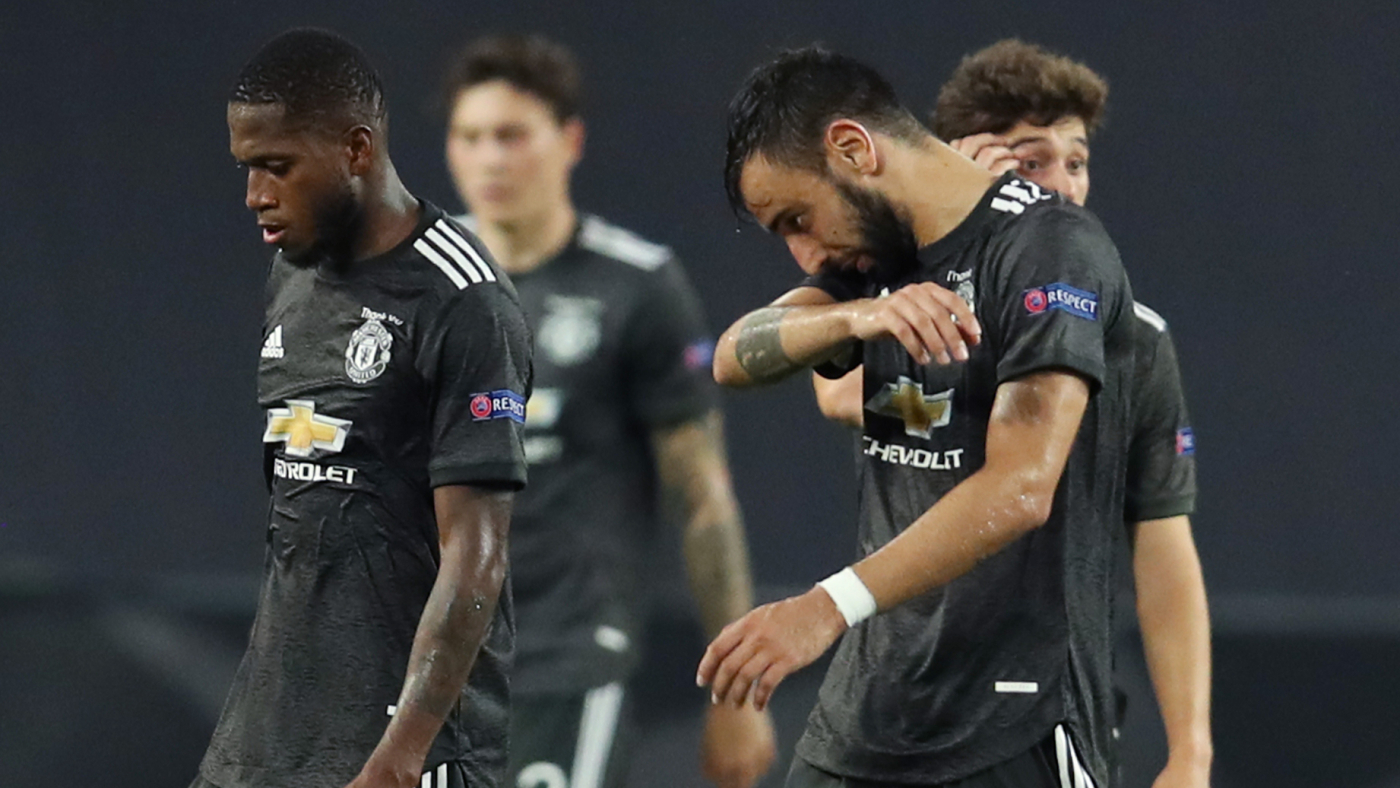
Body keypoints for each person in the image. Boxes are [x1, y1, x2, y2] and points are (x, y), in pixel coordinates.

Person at [696, 46, 1136, 788]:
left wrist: (825, 607)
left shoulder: (1051, 249)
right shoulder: (874, 264)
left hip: (1013, 719)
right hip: (871, 713)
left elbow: (1022, 487)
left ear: (853, 148)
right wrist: (854, 318)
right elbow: (733, 357)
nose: (804, 253)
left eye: (798, 218)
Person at [810, 40, 1212, 788]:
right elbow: (839, 394)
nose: (1062, 185)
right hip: (885, 708)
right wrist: (957, 237)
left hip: (1034, 717)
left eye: (1076, 161)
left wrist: (1191, 750)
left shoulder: (1138, 343)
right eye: (1032, 163)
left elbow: (1162, 546)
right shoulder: (910, 301)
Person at [193, 29, 531, 788]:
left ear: (355, 149)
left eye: (277, 166)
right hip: (267, 738)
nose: (255, 195)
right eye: (247, 168)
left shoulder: (465, 302)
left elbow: (477, 555)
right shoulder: (292, 276)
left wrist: (401, 757)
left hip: (405, 750)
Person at [441, 34, 776, 788]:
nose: (489, 159)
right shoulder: (420, 282)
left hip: (566, 655)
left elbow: (703, 496)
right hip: (426, 657)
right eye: (470, 137)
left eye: (511, 135)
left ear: (570, 141)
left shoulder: (637, 286)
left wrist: (737, 691)